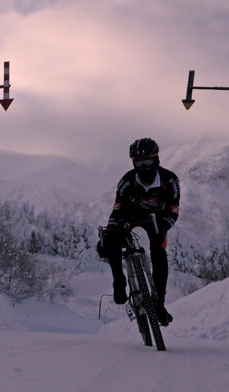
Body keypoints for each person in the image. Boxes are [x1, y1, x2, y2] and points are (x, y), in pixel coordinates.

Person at [98, 137, 180, 326]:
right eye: (138, 163)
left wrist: (164, 226)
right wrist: (110, 232)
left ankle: (159, 304)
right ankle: (119, 282)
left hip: (156, 220)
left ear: (156, 160)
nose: (143, 167)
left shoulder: (170, 180)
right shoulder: (126, 181)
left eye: (147, 162)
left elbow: (174, 210)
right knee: (112, 240)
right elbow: (117, 208)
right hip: (129, 217)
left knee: (159, 252)